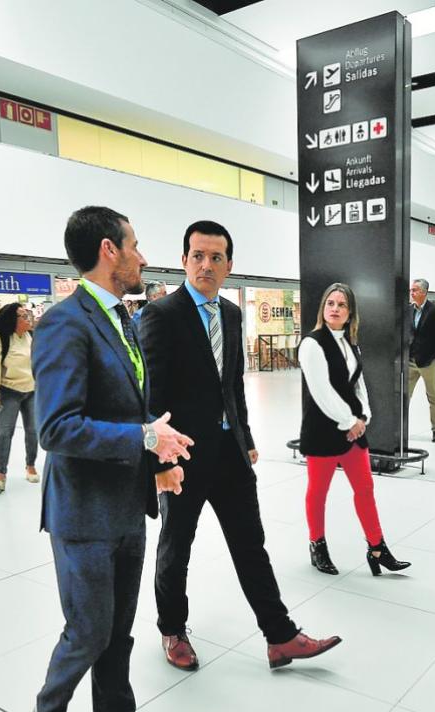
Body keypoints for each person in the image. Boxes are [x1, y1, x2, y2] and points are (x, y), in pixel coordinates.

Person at [29, 206, 195, 712]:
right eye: (135, 245)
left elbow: (128, 410)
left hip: (127, 504)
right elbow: (56, 428)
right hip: (82, 512)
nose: (143, 256)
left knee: (118, 631)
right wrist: (144, 436)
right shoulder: (62, 324)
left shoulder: (122, 320)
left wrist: (154, 464)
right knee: (89, 630)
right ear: (109, 250)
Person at [140, 220, 341, 672]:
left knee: (251, 544)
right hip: (183, 456)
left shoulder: (231, 314)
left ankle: (280, 636)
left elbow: (233, 384)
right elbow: (150, 397)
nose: (205, 265)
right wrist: (157, 460)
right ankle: (172, 629)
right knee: (177, 546)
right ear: (184, 260)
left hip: (229, 454)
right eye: (197, 256)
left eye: (215, 257)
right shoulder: (160, 315)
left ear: (229, 265)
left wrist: (246, 437)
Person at [299, 283, 411, 577]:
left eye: (341, 305)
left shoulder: (351, 344)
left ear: (350, 314)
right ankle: (317, 546)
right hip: (324, 429)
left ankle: (377, 549)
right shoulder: (312, 344)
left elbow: (359, 385)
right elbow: (321, 391)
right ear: (323, 308)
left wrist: (364, 417)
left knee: (365, 489)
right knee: (318, 492)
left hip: (354, 431)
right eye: (330, 303)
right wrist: (350, 421)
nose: (335, 309)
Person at [0, 302, 38, 492]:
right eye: (23, 316)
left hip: (31, 391)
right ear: (12, 320)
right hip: (9, 392)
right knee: (5, 432)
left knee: (33, 431)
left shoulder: (30, 337)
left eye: (28, 315)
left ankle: (30, 466)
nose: (28, 319)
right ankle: (0, 474)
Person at [407, 278, 435, 443]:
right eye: (411, 290)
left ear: (424, 292)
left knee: (432, 396)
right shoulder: (409, 310)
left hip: (428, 362)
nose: (412, 292)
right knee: (403, 396)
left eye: (415, 290)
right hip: (410, 361)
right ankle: (400, 430)